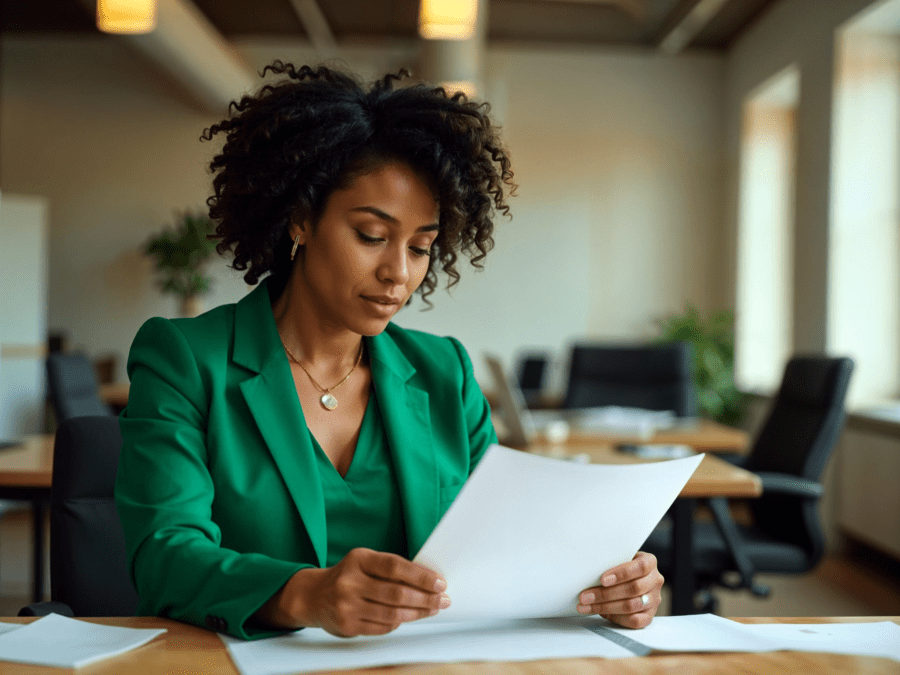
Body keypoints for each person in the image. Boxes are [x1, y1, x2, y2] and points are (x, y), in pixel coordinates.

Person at [115, 62, 664, 641]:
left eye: (422, 247)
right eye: (371, 236)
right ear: (301, 219)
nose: (398, 274)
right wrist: (306, 594)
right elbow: (164, 556)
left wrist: (604, 584)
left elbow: (504, 547)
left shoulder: (443, 371)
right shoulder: (184, 358)